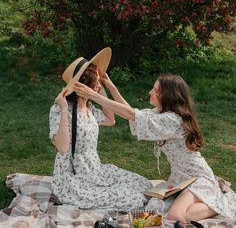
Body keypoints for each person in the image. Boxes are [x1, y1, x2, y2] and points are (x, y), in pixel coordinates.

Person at [75, 72, 236, 227]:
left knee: (176, 216)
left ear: (168, 96)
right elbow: (131, 113)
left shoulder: (172, 120)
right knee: (154, 207)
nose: (150, 92)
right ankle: (207, 200)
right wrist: (110, 87)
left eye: (156, 90)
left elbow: (131, 114)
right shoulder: (161, 113)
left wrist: (94, 95)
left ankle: (220, 203)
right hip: (181, 180)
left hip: (198, 178)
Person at [49, 47, 152, 210]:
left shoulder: (89, 108)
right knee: (134, 199)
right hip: (75, 179)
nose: (97, 85)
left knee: (144, 185)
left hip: (95, 170)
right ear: (82, 87)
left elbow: (110, 120)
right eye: (95, 82)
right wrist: (62, 109)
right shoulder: (61, 110)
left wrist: (103, 86)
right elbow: (62, 147)